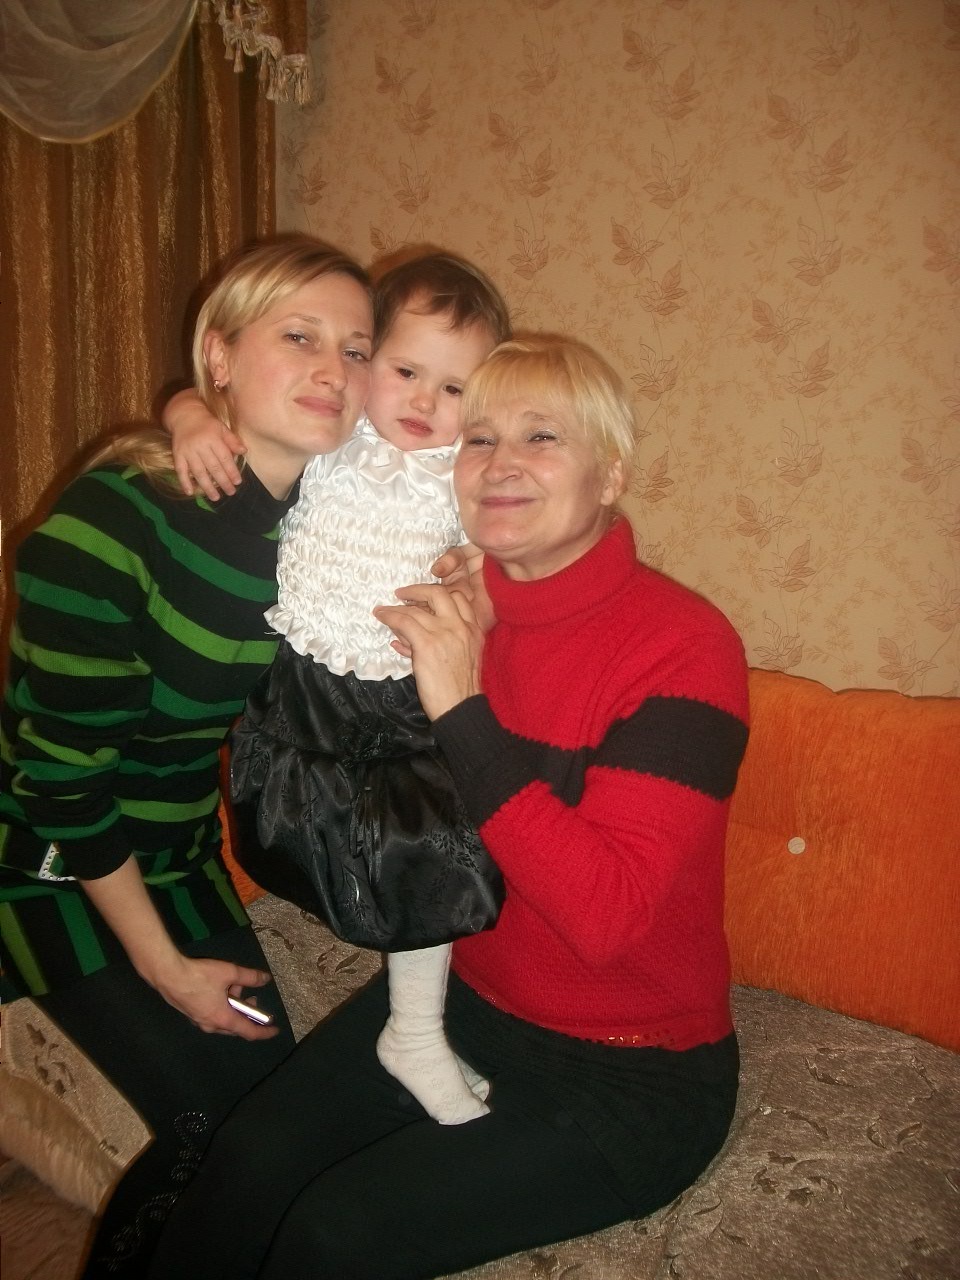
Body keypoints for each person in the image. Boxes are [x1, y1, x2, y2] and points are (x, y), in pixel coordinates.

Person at [146, 335, 751, 1280]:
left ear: (610, 473)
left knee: (336, 1232)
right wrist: (189, 407)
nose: (501, 464)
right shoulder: (445, 600)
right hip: (469, 1007)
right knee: (246, 1159)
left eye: (541, 437)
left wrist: (461, 708)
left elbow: (606, 916)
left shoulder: (683, 647)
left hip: (630, 1071)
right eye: (479, 438)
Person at [0, 234, 375, 1278]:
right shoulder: (113, 522)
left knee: (271, 1127)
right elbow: (62, 784)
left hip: (176, 853)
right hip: (49, 862)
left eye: (355, 349)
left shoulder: (325, 528)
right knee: (217, 1127)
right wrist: (164, 970)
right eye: (299, 336)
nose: (333, 369)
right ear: (220, 354)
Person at [165, 252, 512, 1126]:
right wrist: (185, 414)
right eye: (405, 371)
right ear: (368, 364)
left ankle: (416, 1032)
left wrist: (482, 574)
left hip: (403, 697)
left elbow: (507, 553)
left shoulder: (463, 472)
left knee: (434, 846)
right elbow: (219, 413)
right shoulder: (334, 435)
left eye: (454, 387)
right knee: (301, 821)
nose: (425, 401)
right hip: (303, 688)